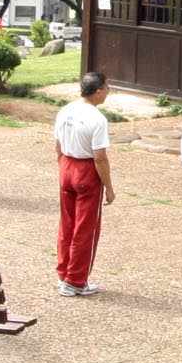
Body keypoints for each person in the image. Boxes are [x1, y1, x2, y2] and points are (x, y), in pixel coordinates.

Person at [55, 70, 116, 296]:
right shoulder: (97, 119)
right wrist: (109, 187)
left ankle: (63, 273)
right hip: (86, 170)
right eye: (107, 89)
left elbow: (58, 146)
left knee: (67, 224)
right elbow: (100, 157)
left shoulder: (65, 110)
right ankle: (76, 280)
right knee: (85, 228)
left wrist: (62, 169)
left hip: (67, 165)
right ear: (98, 92)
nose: (108, 93)